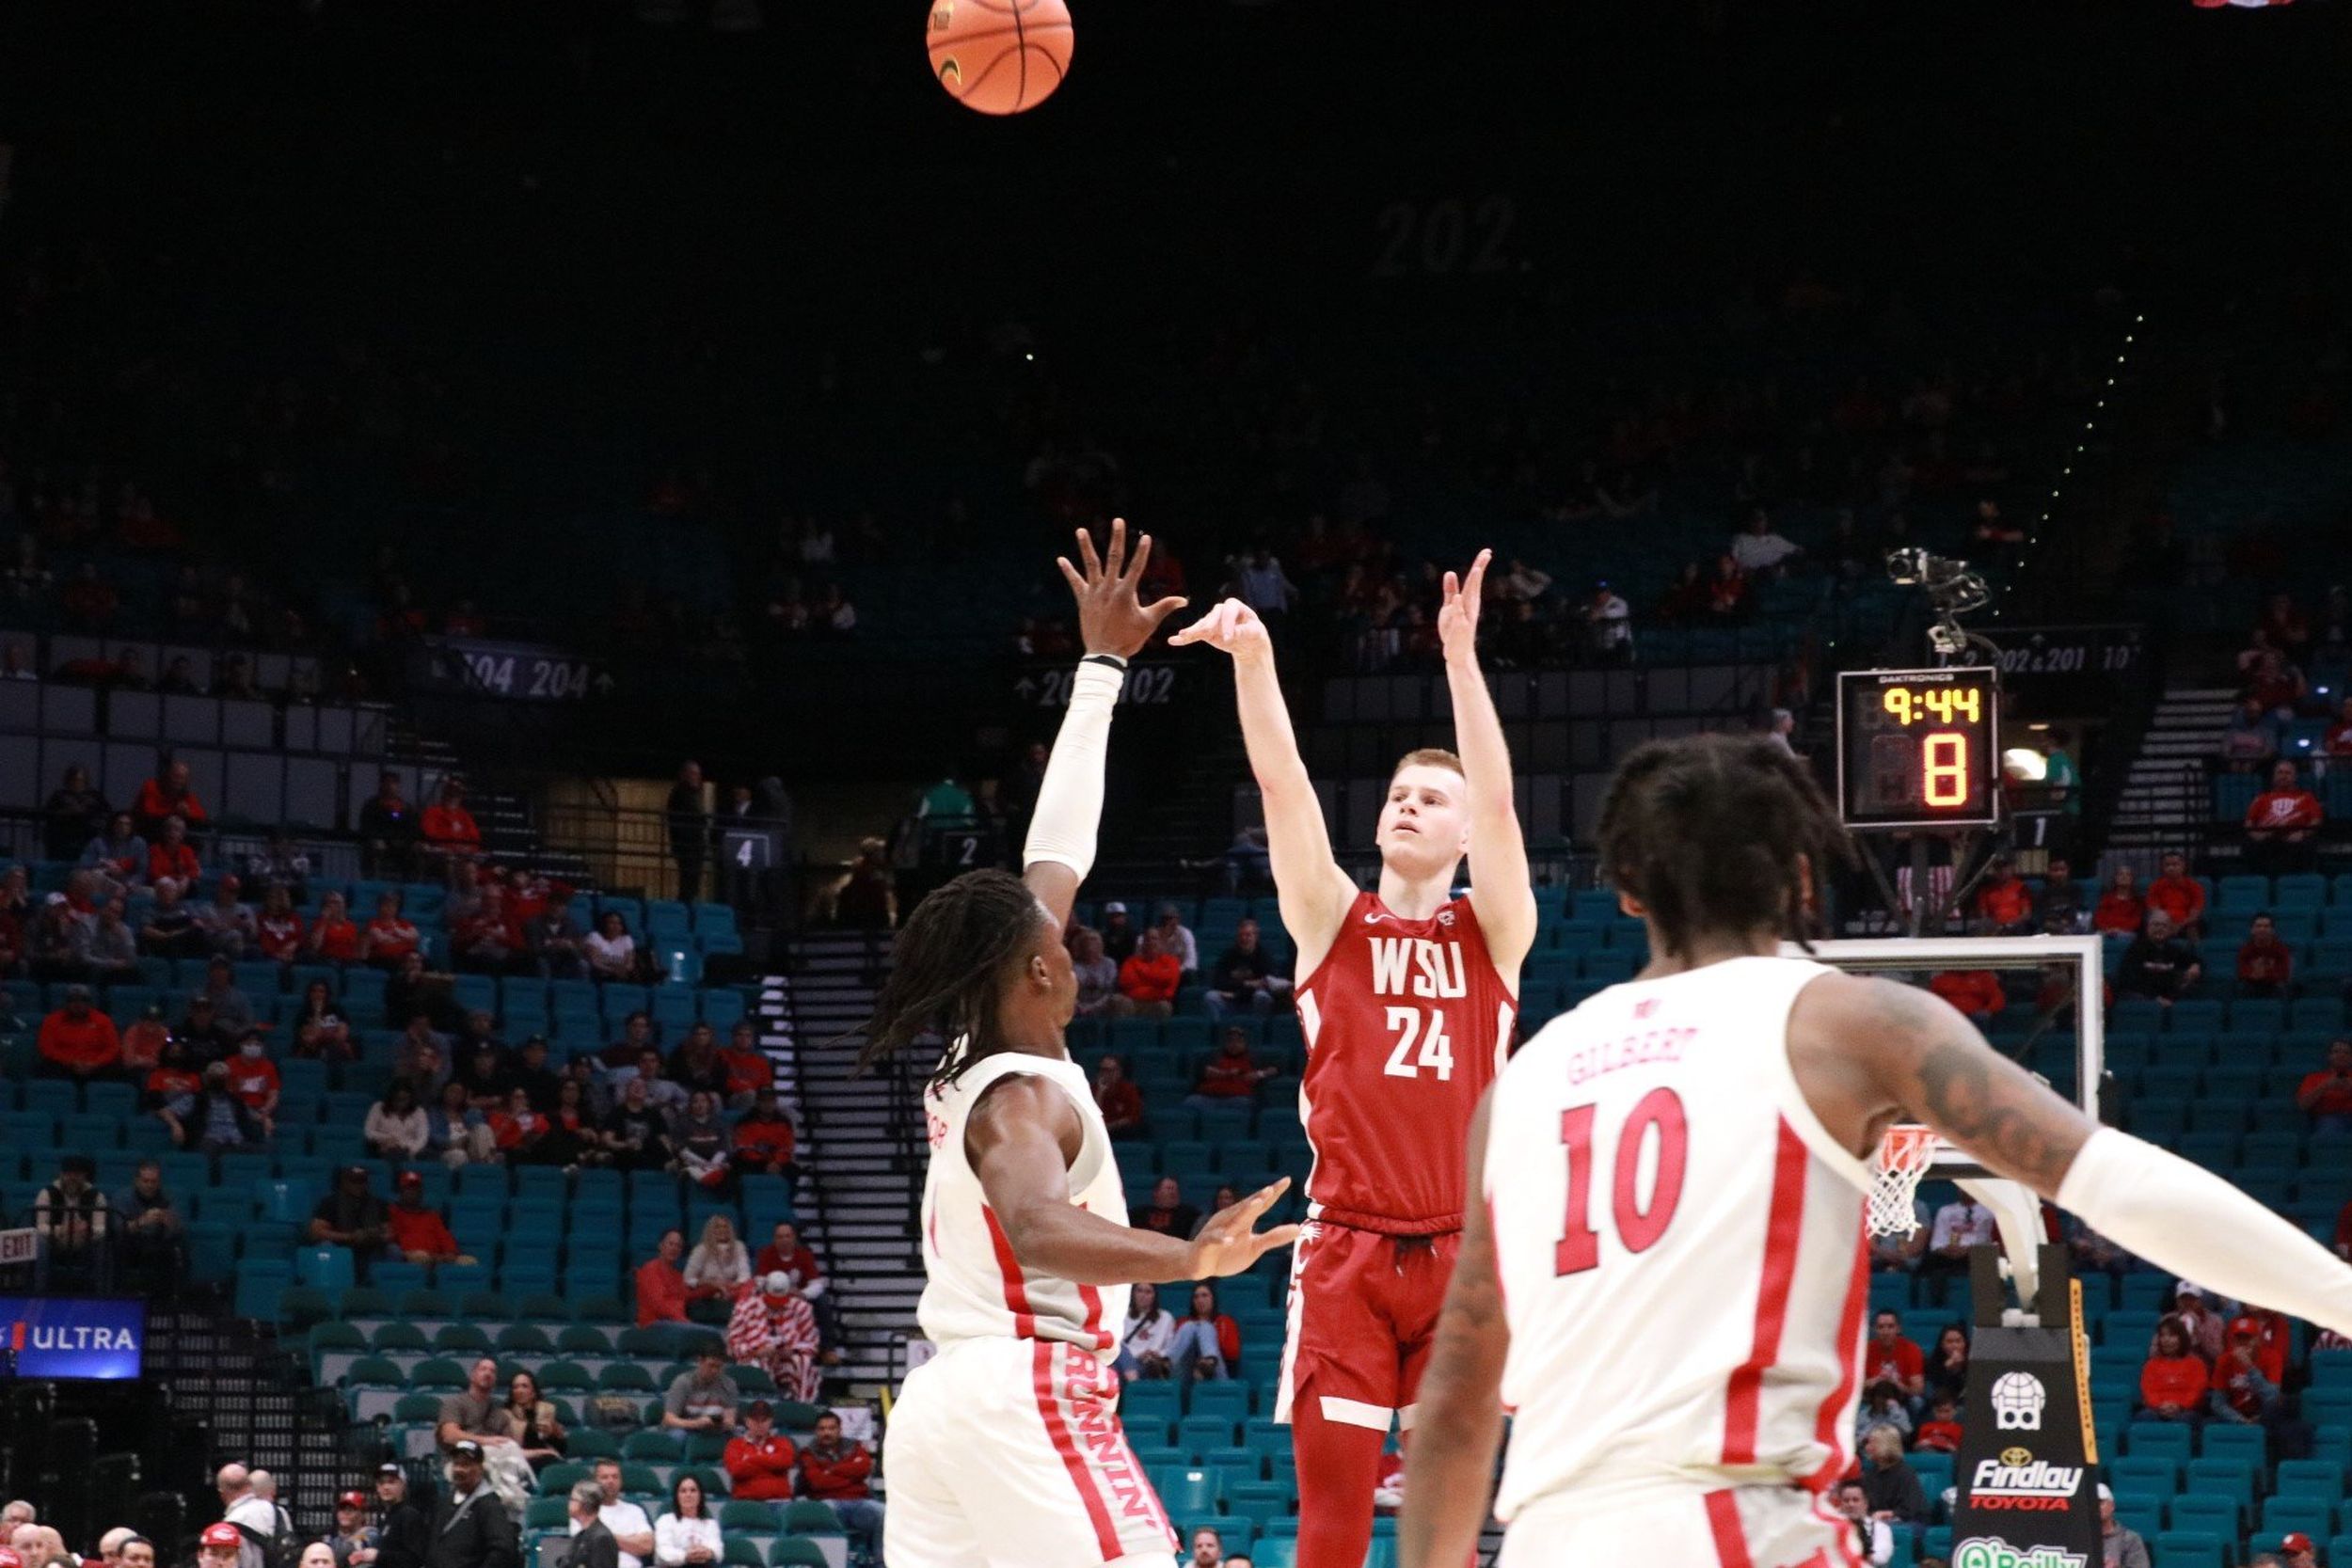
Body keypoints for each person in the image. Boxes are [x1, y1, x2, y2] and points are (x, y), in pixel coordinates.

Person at [1398, 727, 2352, 1568]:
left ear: (1625, 886)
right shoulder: (1844, 1019)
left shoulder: (1520, 1081)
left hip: (1542, 1533)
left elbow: (1451, 1402)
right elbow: (2115, 1180)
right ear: (1802, 871)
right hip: (1731, 1519)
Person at [861, 524, 1293, 1568]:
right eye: (1064, 935)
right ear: (1042, 973)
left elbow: (1055, 851)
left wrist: (1100, 670)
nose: (1077, 927)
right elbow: (1037, 1223)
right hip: (1025, 1386)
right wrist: (1191, 1255)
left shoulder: (983, 1031)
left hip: (941, 1408)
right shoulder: (1019, 1100)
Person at [1178, 548, 1535, 1568]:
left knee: (1443, 1538)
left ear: (1466, 834)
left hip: (1464, 1257)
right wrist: (1253, 658)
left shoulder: (1493, 932)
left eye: (1432, 796)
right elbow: (1282, 783)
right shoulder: (1332, 917)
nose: (1407, 804)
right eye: (1397, 792)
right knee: (1330, 1530)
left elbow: (1503, 803)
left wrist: (1461, 663)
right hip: (1345, 1253)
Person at [799, 1414, 886, 1567]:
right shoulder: (808, 1452)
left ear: (840, 1430)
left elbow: (864, 1467)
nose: (827, 1433)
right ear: (816, 1431)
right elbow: (818, 1483)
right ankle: (837, 1562)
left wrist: (829, 1471)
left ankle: (881, 1563)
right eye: (822, 1429)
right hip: (827, 1502)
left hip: (859, 1502)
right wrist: (850, 1477)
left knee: (883, 1512)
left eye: (832, 1428)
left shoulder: (855, 1447)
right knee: (825, 1511)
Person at [725, 1274, 821, 1402]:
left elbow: (812, 1343)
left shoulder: (802, 1308)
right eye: (772, 1300)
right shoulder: (745, 1308)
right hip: (756, 1358)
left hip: (787, 1360)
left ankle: (802, 1407)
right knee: (757, 1364)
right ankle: (761, 1408)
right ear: (764, 1292)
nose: (776, 1305)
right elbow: (733, 1344)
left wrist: (792, 1350)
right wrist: (756, 1351)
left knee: (804, 1362)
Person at [424, 1441, 517, 1568]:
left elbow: (502, 1550)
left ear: (480, 1468)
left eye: (465, 1465)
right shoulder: (443, 1503)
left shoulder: (490, 1506)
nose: (458, 1470)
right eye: (456, 1464)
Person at [34, 1155, 109, 1289]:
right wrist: (61, 1229)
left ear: (84, 1176)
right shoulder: (47, 1193)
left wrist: (88, 1229)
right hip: (56, 1242)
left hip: (84, 1242)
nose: (72, 1178)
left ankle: (101, 1291)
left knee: (103, 1241)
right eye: (68, 1174)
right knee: (39, 1240)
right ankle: (39, 1290)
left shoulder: (96, 1195)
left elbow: (101, 1228)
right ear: (61, 1174)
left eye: (77, 1174)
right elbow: (40, 1226)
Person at [113, 1158, 186, 1291]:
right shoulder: (122, 1197)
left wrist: (170, 1223)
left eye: (153, 1182)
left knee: (179, 1249)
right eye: (145, 1181)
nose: (149, 1185)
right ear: (137, 1181)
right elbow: (118, 1229)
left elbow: (179, 1229)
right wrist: (141, 1221)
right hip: (131, 1243)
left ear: (159, 1183)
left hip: (158, 1243)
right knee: (115, 1248)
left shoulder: (169, 1197)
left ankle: (168, 1301)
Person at [2246, 759, 2325, 876]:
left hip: (2296, 838)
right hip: (2268, 838)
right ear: (2273, 776)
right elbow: (2249, 822)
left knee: (2307, 846)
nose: (2283, 776)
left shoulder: (2307, 797)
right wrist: (2257, 834)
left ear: (2295, 777)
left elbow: (2316, 821)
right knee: (2250, 846)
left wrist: (2303, 833)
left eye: (2288, 773)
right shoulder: (2261, 799)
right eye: (2280, 772)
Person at [1202, 919, 1292, 1019]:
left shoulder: (1264, 956)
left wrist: (1238, 993)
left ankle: (1260, 1027)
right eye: (1241, 935)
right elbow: (1218, 981)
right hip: (1232, 999)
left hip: (1252, 1001)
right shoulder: (1228, 955)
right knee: (1210, 997)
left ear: (1255, 937)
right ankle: (1217, 1029)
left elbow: (1268, 983)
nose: (1244, 939)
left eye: (1248, 935)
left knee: (1261, 996)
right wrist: (1247, 984)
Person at [573, 1462, 654, 1568]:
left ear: (621, 1481)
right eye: (605, 1477)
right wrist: (631, 1540)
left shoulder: (635, 1510)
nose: (611, 1481)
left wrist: (605, 1537)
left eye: (615, 1477)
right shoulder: (583, 1510)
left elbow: (647, 1546)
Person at [385, 1171, 473, 1266]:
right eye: (408, 1188)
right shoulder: (392, 1213)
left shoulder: (432, 1215)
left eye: (415, 1188)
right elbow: (389, 1241)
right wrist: (406, 1255)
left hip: (436, 1261)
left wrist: (449, 1254)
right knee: (418, 1256)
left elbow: (446, 1240)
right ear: (401, 1192)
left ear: (421, 1192)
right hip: (408, 1262)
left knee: (470, 1261)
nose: (412, 1192)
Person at [38, 985, 121, 1081]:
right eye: (73, 1000)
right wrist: (71, 1062)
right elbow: (47, 1048)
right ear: (67, 1003)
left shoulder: (103, 1020)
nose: (78, 1004)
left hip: (96, 1066)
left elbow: (112, 1048)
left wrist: (95, 1063)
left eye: (83, 1000)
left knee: (115, 1070)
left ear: (89, 1003)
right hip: (64, 1065)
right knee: (47, 1068)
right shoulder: (52, 1020)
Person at [2117, 911, 2201, 1005]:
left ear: (2170, 930)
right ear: (2148, 927)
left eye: (2164, 926)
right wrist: (2156, 998)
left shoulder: (2173, 950)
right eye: (2156, 925)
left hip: (2167, 998)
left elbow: (2195, 960)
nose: (2160, 929)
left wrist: (2195, 966)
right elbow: (2130, 980)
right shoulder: (2136, 949)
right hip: (2144, 999)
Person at [723, 1400, 800, 1502]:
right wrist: (770, 1465)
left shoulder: (783, 1442)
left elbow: (785, 1462)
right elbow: (736, 1470)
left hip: (779, 1502)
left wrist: (751, 1460)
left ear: (771, 1421)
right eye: (755, 1420)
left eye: (764, 1420)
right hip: (747, 1503)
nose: (760, 1424)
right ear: (747, 1421)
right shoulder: (734, 1444)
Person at [1184, 1027, 1278, 1110]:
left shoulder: (1254, 1058)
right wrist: (1223, 1074)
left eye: (1238, 1041)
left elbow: (1275, 1069)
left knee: (1246, 1104)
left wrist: (1260, 1074)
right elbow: (1200, 1070)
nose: (1234, 1044)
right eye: (1230, 1041)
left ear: (1245, 1043)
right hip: (1209, 1097)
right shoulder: (1213, 1056)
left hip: (1238, 1098)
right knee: (1191, 1102)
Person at [1169, 1281, 1239, 1383]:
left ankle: (1208, 1362)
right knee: (1190, 1326)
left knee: (1205, 1327)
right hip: (1186, 1374)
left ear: (1213, 1299)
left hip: (1216, 1374)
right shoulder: (1183, 1322)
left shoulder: (1225, 1321)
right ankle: (1166, 1365)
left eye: (1204, 1295)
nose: (1200, 1300)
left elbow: (1233, 1353)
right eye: (1196, 1297)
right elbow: (1177, 1350)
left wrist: (1210, 1339)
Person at [2141, 1316, 2208, 1422]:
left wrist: (2179, 1406)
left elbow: (2196, 1392)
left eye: (2171, 1335)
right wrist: (2160, 1406)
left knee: (2186, 1419)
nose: (2166, 1340)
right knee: (2145, 1416)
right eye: (2162, 1335)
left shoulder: (2197, 1364)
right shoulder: (2151, 1365)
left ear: (2182, 1338)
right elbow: (2148, 1391)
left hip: (2186, 1411)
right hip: (2157, 1410)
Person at [661, 1348, 742, 1433]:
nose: (715, 1370)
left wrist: (723, 1424)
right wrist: (696, 1423)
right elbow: (669, 1419)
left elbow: (730, 1420)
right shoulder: (683, 1382)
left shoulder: (729, 1384)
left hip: (714, 1430)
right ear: (700, 1362)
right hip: (685, 1428)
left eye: (719, 1367)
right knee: (678, 1434)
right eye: (711, 1365)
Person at [1857, 1425, 1926, 1524]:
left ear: (1884, 1445)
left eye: (1871, 1443)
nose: (1867, 1448)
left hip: (1904, 1523)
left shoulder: (1905, 1473)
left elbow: (1910, 1508)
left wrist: (1889, 1514)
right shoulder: (1869, 1474)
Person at [359, 772, 421, 880]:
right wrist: (378, 839)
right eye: (387, 782)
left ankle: (412, 885)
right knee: (375, 848)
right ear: (381, 784)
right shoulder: (371, 805)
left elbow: (413, 827)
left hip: (402, 844)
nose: (391, 786)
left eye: (394, 783)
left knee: (416, 852)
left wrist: (411, 841)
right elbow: (367, 827)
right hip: (381, 843)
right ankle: (374, 881)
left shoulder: (406, 807)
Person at [1113, 927, 1182, 1020]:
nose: (1151, 942)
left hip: (1157, 1003)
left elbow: (1168, 982)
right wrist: (1155, 981)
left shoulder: (1171, 961)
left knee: (1164, 1007)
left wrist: (1142, 973)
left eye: (1154, 938)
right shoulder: (1131, 961)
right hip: (1133, 1002)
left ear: (1161, 942)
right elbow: (1125, 982)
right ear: (1143, 943)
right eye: (1148, 939)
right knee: (1117, 1000)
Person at [667, 762, 711, 905]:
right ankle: (686, 906)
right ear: (685, 775)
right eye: (693, 774)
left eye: (698, 774)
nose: (697, 777)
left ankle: (689, 904)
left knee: (692, 879)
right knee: (688, 879)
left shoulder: (691, 793)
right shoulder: (681, 792)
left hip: (693, 844)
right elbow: (690, 817)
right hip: (687, 844)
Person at [652, 1476, 719, 1568]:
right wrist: (686, 1556)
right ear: (677, 1496)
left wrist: (708, 1552)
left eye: (693, 1490)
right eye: (683, 1491)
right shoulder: (665, 1520)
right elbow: (663, 1551)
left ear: (700, 1495)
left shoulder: (711, 1524)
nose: (688, 1494)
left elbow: (717, 1550)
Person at [1118, 1281, 1175, 1381]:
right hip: (1128, 1361)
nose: (1143, 1295)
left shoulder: (1166, 1317)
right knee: (1118, 1348)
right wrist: (1139, 1354)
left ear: (1154, 1296)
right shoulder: (1123, 1314)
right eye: (1139, 1291)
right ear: (1133, 1293)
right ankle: (1133, 1382)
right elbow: (1119, 1345)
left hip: (1152, 1362)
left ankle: (1134, 1386)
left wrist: (1158, 1354)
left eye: (1148, 1292)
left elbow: (1171, 1347)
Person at [373, 1466, 428, 1568]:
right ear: (377, 1488)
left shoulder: (409, 1515)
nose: (386, 1487)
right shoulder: (386, 1517)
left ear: (403, 1485)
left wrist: (378, 1556)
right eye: (381, 1483)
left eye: (391, 1482)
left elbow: (414, 1559)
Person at [1828, 1481, 1892, 1567]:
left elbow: (1881, 1558)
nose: (1851, 1504)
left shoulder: (1880, 1528)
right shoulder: (1831, 1527)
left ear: (1865, 1504)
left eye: (1856, 1500)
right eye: (1846, 1501)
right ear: (1841, 1505)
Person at [637, 1229, 691, 1326]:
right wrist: (683, 1321)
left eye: (678, 1246)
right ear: (660, 1246)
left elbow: (689, 1295)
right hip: (655, 1326)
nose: (674, 1248)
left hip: (676, 1325)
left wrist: (713, 1287)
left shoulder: (677, 1275)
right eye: (671, 1244)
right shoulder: (651, 1269)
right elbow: (658, 1304)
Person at [366, 1084, 431, 1161]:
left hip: (411, 1148)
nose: (400, 1102)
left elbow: (423, 1136)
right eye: (397, 1099)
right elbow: (368, 1132)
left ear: (410, 1098)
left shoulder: (419, 1111)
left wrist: (410, 1149)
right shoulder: (378, 1107)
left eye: (404, 1099)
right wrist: (387, 1138)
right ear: (391, 1097)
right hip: (385, 1146)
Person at [2300, 1038, 2352, 1133]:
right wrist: (2325, 1086)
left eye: (2346, 1052)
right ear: (2329, 1056)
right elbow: (2303, 1105)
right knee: (2330, 1128)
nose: (2341, 1055)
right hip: (2329, 1118)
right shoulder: (2314, 1077)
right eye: (2336, 1052)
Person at [2238, 912, 2296, 999]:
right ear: (2252, 930)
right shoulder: (2245, 950)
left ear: (2272, 930)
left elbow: (2284, 973)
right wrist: (2253, 974)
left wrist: (2264, 973)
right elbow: (2241, 972)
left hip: (2273, 985)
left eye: (2266, 926)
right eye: (2258, 926)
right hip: (2252, 984)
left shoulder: (2281, 949)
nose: (2262, 929)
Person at [564, 1484, 619, 1568]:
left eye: (572, 1499)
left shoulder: (602, 1538)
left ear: (585, 1504)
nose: (569, 1503)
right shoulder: (581, 1536)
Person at [1092, 1054, 1145, 1138]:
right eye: (1102, 1070)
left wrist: (1109, 1127)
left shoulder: (1129, 1090)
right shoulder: (1093, 1089)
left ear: (1118, 1072)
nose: (1105, 1074)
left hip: (1120, 1131)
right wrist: (1100, 1093)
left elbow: (1132, 1118)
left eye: (1109, 1070)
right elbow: (1092, 1117)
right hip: (1099, 1131)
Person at [585, 911, 640, 982]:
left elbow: (629, 964)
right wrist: (612, 971)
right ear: (604, 924)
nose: (616, 926)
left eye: (619, 923)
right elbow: (594, 961)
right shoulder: (595, 936)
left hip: (620, 976)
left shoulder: (626, 939)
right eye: (612, 923)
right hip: (599, 973)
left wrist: (622, 971)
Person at [329, 1495, 378, 1568]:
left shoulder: (371, 1534)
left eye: (351, 1509)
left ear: (362, 1514)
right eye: (342, 1509)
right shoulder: (335, 1541)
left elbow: (344, 1551)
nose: (346, 1513)